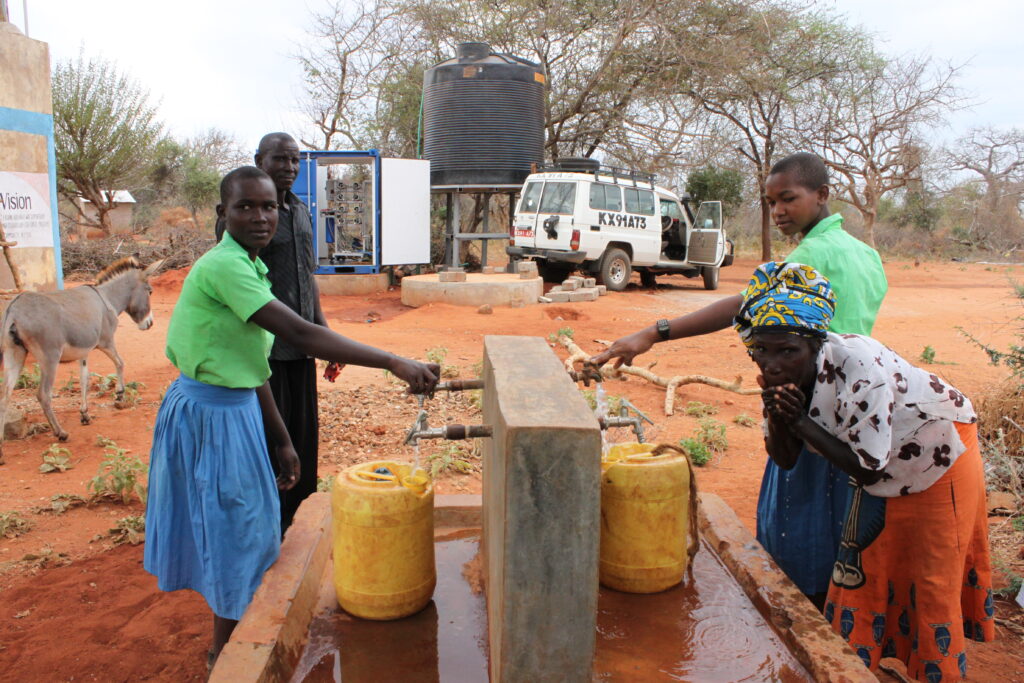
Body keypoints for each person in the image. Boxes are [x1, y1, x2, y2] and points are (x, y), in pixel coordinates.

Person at [145, 166, 439, 668]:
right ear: (223, 213)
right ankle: (225, 655)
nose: (260, 217)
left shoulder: (251, 266)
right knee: (236, 529)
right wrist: (393, 361)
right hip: (209, 416)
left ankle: (233, 639)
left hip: (235, 408)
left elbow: (251, 365)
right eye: (245, 207)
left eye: (268, 207)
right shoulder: (226, 267)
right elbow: (301, 335)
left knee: (248, 525)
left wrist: (282, 439)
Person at [591, 152, 888, 605]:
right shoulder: (866, 254)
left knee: (796, 523)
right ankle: (834, 608)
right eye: (771, 203)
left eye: (788, 199)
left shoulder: (811, 254)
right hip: (854, 399)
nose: (778, 211)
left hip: (806, 396)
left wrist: (653, 333)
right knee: (838, 517)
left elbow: (743, 305)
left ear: (822, 195)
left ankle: (795, 612)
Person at [736, 261, 993, 681]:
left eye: (787, 351)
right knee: (866, 568)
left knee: (928, 576)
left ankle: (934, 670)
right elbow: (785, 458)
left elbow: (869, 470)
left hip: (939, 455)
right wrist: (782, 418)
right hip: (882, 463)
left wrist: (799, 421)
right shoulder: (783, 376)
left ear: (815, 345)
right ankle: (860, 669)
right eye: (761, 350)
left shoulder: (860, 368)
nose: (772, 364)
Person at [216, 132, 333, 531]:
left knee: (303, 434)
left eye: (295, 160)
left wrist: (322, 328)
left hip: (302, 344)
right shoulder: (245, 220)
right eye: (280, 159)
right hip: (265, 349)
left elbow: (308, 274)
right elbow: (240, 281)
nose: (289, 167)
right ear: (260, 161)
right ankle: (270, 524)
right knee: (270, 438)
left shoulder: (298, 210)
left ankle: (301, 519)